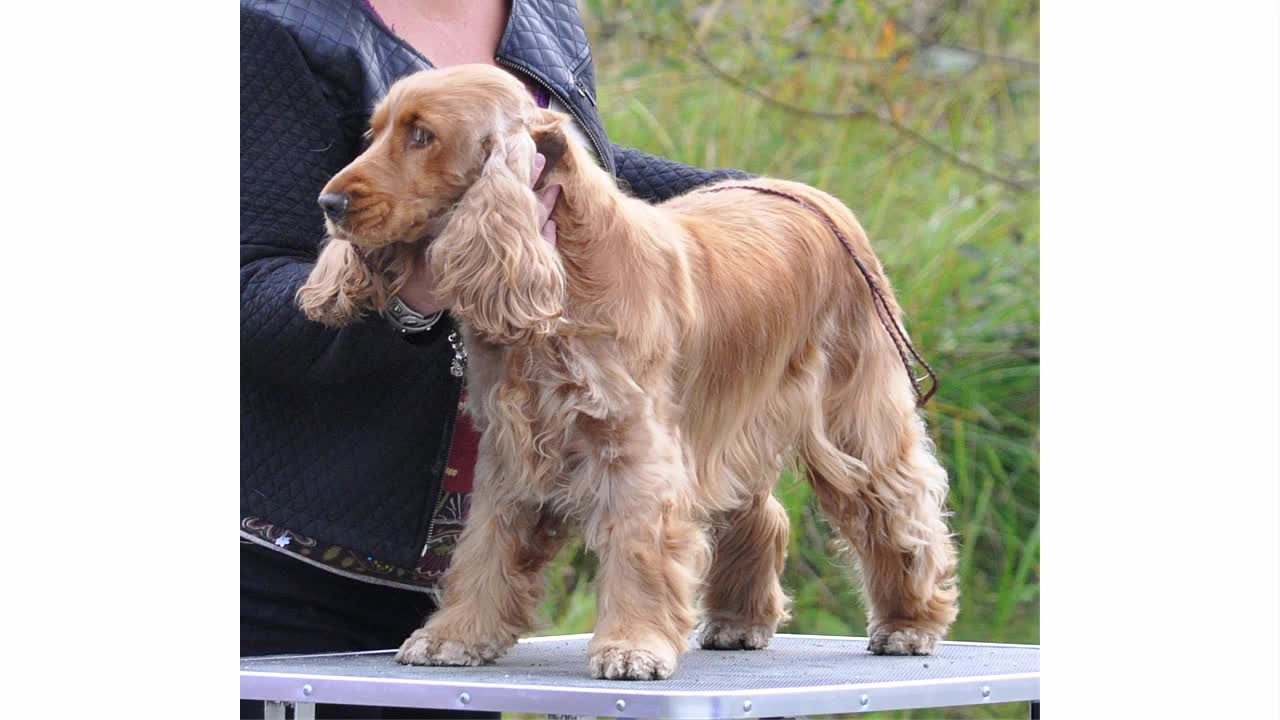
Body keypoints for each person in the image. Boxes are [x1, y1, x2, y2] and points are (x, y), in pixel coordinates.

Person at [240, 0, 747, 716]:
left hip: (470, 599)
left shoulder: (542, 13)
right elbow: (245, 297)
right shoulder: (275, 24)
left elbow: (572, 160)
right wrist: (417, 292)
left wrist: (748, 196)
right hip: (308, 582)